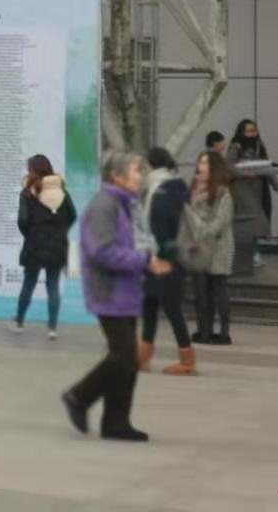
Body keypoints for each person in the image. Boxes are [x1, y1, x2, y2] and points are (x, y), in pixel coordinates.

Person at [61, 152, 173, 443]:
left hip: (127, 290)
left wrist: (152, 258)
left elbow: (136, 243)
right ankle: (79, 396)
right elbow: (102, 251)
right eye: (136, 171)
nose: (141, 176)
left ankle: (116, 421)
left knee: (128, 359)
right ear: (117, 176)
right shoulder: (104, 205)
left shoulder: (128, 205)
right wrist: (144, 261)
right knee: (123, 356)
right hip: (108, 290)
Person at [138, 147, 195, 376]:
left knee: (171, 309)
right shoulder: (175, 185)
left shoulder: (161, 191)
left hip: (165, 260)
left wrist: (161, 257)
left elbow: (160, 228)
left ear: (151, 165)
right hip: (164, 258)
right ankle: (143, 356)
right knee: (149, 304)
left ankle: (187, 360)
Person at [14, 153, 76, 339]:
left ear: (32, 170)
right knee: (53, 285)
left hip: (34, 244)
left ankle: (19, 321)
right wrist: (60, 231)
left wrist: (30, 234)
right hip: (58, 245)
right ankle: (52, 328)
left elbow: (22, 220)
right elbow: (72, 215)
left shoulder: (28, 193)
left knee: (29, 283)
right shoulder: (63, 192)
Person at [185, 148, 235, 346]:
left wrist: (201, 232)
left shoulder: (223, 191)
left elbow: (220, 222)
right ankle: (204, 330)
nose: (201, 166)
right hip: (198, 247)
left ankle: (223, 333)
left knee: (219, 289)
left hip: (218, 246)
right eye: (200, 162)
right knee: (201, 292)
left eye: (205, 163)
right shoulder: (194, 188)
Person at [229, 119, 278, 274]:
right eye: (249, 131)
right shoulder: (236, 147)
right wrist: (244, 173)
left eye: (254, 131)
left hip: (258, 190)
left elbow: (266, 165)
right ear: (242, 132)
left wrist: (274, 183)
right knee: (249, 222)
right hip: (241, 190)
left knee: (257, 222)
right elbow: (229, 166)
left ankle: (253, 253)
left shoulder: (259, 145)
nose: (252, 134)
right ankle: (250, 254)